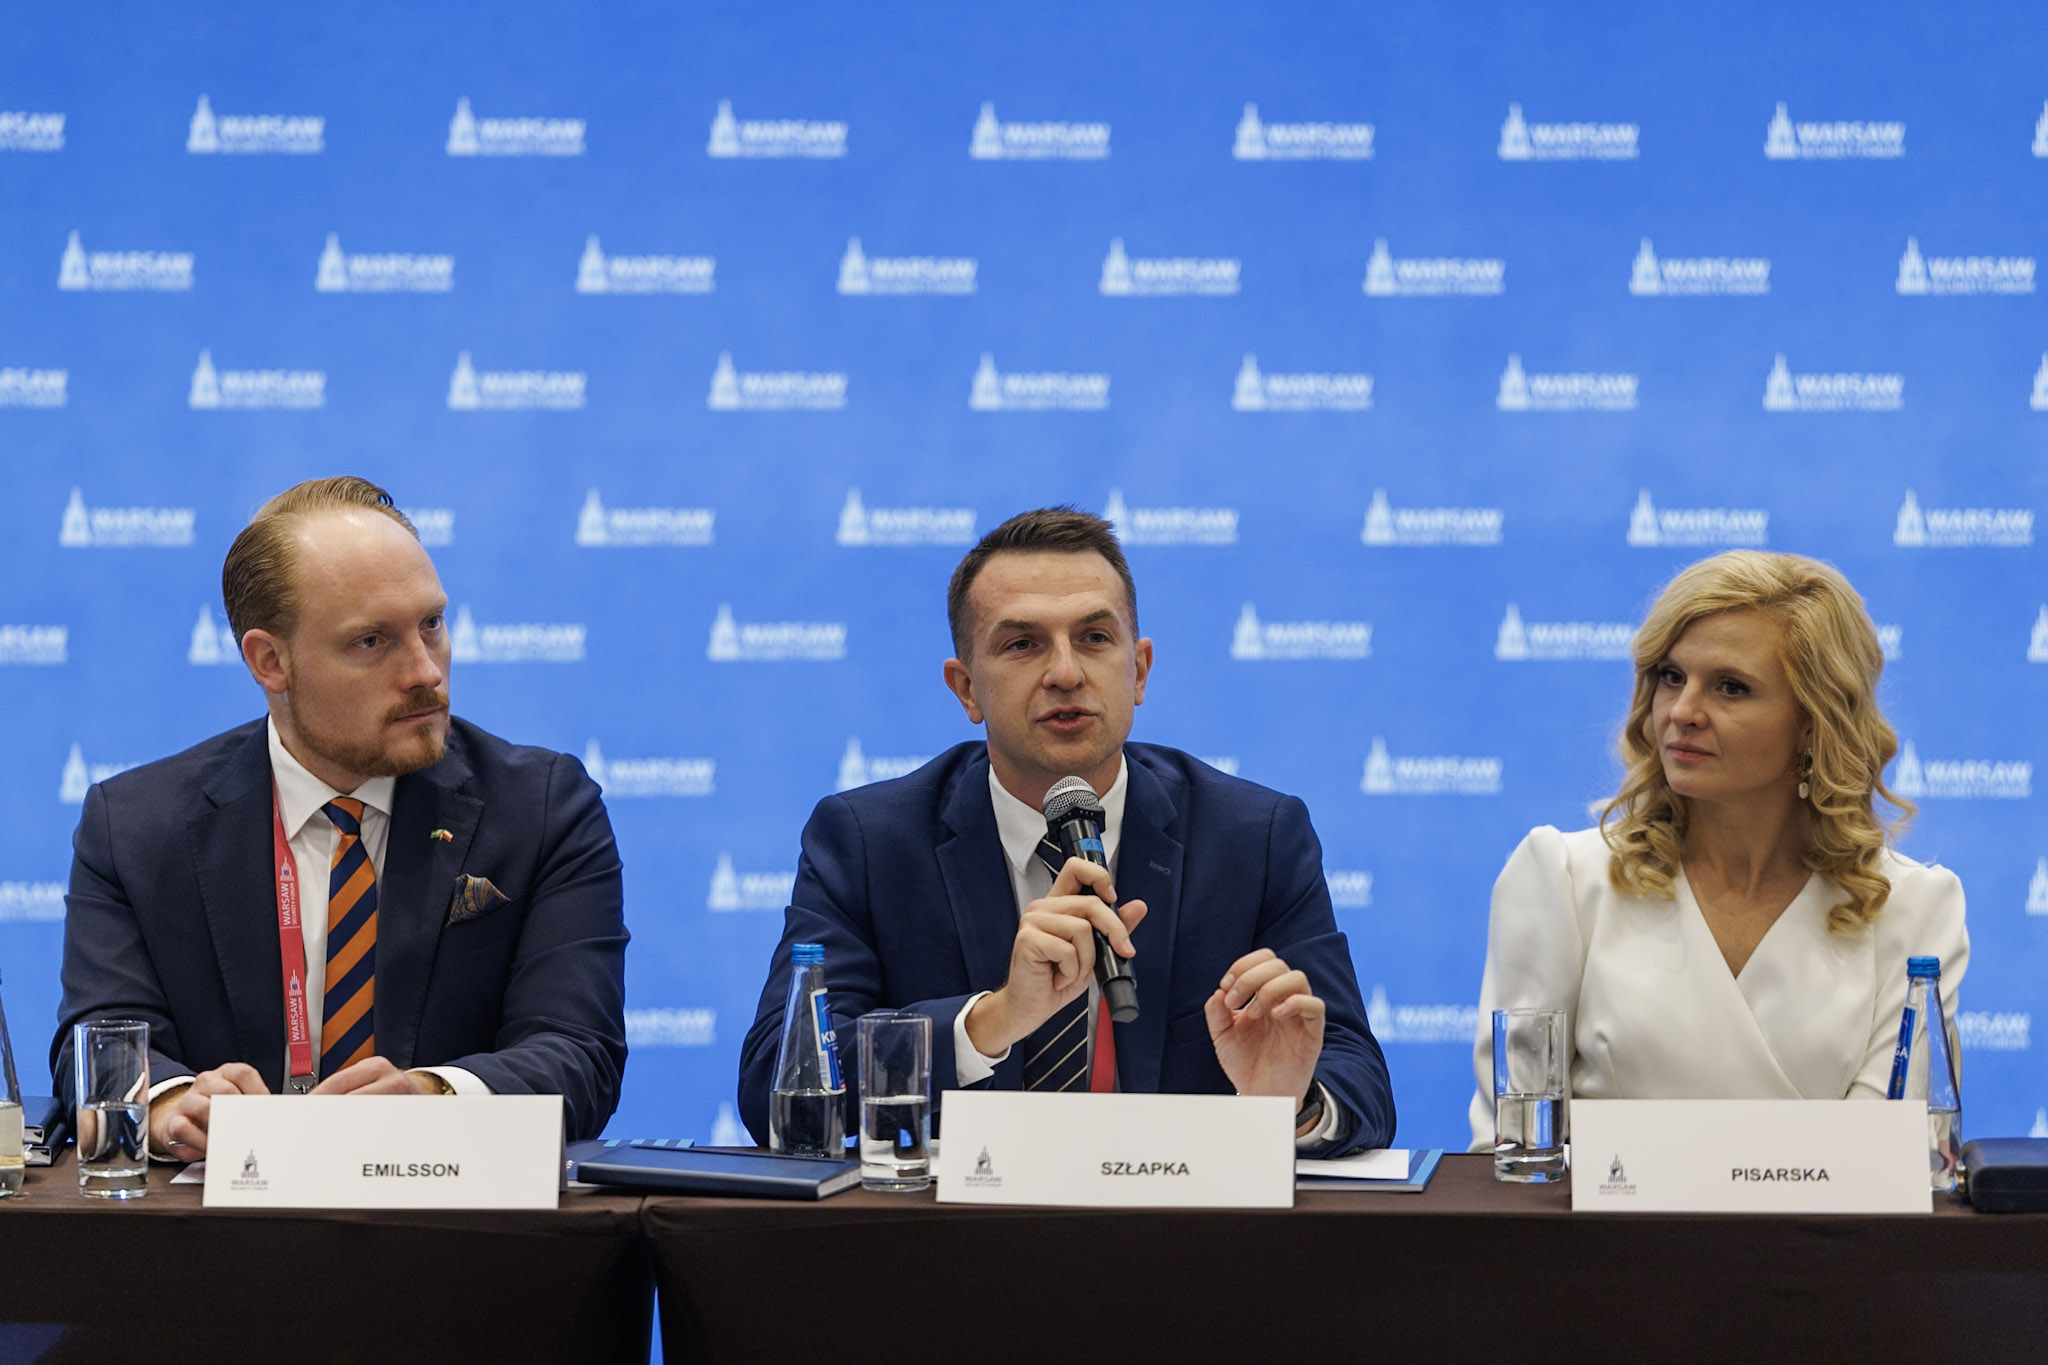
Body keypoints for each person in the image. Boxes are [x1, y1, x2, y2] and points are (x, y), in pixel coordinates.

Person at [739, 508, 1394, 1154]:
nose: (1065, 672)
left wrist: (1292, 1103)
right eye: (1022, 644)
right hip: (959, 1219)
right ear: (966, 689)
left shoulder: (1253, 837)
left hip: (1177, 1218)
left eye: (1094, 637)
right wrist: (992, 1021)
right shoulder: (867, 842)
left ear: (1139, 670)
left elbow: (1358, 1079)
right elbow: (778, 1082)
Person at [52, 476, 628, 1154]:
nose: (425, 671)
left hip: (448, 1213)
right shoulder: (134, 827)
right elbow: (100, 1040)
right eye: (372, 641)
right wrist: (171, 1104)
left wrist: (433, 1099)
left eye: (431, 624)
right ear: (271, 661)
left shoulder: (543, 807)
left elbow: (579, 1053)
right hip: (221, 1215)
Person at [1468, 550, 1967, 1148]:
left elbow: (1888, 1159)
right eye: (1671, 677)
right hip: (1596, 1215)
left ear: (1814, 723)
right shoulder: (1565, 878)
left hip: (1826, 1214)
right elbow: (1518, 1150)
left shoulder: (1912, 907)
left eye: (1731, 688)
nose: (1682, 712)